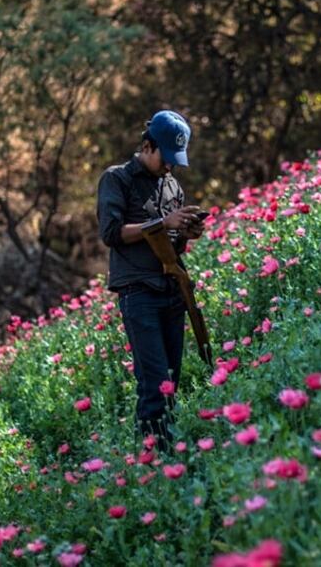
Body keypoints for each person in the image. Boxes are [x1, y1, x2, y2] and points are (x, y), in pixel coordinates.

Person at [96, 110, 204, 451]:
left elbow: (171, 243)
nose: (170, 167)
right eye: (166, 159)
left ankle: (167, 453)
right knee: (154, 383)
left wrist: (186, 231)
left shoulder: (173, 186)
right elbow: (112, 233)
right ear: (147, 146)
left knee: (171, 382)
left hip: (172, 290)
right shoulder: (117, 179)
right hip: (138, 293)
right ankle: (152, 461)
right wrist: (162, 222)